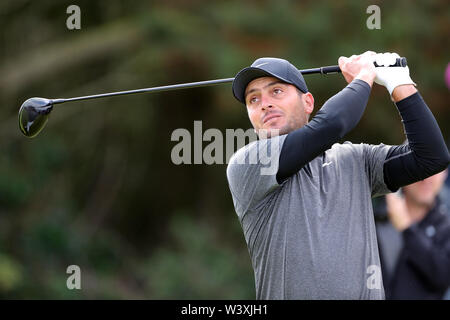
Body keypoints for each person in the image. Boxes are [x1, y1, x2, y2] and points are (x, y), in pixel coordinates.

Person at [226, 51, 450, 299]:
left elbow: (430, 157)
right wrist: (364, 75)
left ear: (308, 103)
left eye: (276, 91)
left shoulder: (356, 159)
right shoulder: (247, 163)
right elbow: (331, 125)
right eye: (253, 99)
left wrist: (399, 83)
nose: (264, 103)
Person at [375, 169, 450, 299]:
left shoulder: (445, 226)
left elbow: (443, 275)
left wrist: (407, 229)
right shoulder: (375, 220)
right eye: (421, 167)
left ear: (445, 174)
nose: (426, 178)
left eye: (435, 170)